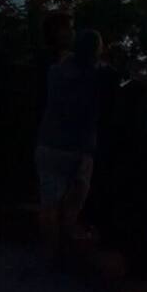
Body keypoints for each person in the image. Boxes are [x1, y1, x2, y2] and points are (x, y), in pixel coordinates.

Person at [36, 29, 104, 263]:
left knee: (49, 203)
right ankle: (66, 248)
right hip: (79, 148)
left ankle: (50, 252)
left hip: (49, 143)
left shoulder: (55, 73)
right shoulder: (95, 78)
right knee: (74, 202)